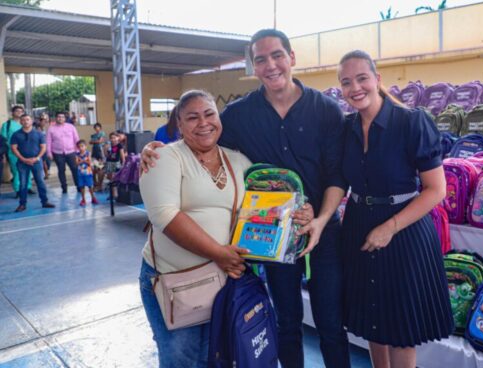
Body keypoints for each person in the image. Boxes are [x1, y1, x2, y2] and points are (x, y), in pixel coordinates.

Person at [142, 29, 350, 368]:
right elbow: (202, 135)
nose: (271, 65)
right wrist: (157, 149)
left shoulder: (326, 110)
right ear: (254, 66)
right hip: (271, 236)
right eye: (261, 59)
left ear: (291, 57)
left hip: (323, 232)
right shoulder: (238, 115)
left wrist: (320, 219)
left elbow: (337, 175)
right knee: (286, 322)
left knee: (331, 324)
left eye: (277, 55)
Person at [337, 50, 453, 368]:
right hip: (358, 224)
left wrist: (389, 228)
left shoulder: (411, 122)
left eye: (362, 78)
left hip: (404, 230)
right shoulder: (345, 128)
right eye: (346, 82)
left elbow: (436, 190)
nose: (355, 88)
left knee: (401, 328)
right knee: (374, 319)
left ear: (377, 79)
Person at [138, 89, 253, 367]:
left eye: (209, 114)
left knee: (215, 357)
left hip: (222, 282)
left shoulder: (238, 161)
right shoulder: (164, 158)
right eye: (192, 117)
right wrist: (219, 253)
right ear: (179, 124)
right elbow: (164, 215)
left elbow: (263, 205)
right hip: (174, 283)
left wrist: (296, 210)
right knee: (182, 360)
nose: (203, 123)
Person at [10, 114, 55, 212]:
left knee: (40, 182)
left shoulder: (38, 134)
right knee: (23, 184)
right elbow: (14, 148)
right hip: (22, 163)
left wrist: (37, 158)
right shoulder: (16, 134)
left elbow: (43, 147)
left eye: (27, 119)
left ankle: (45, 202)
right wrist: (23, 159)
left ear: (31, 121)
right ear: (20, 122)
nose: (25, 121)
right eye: (23, 120)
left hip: (36, 162)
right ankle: (22, 204)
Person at [1, 105, 33, 195]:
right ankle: (18, 189)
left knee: (28, 170)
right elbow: (3, 139)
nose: (19, 113)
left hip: (27, 151)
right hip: (13, 152)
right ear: (12, 113)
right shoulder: (7, 125)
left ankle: (28, 187)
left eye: (21, 111)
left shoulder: (26, 123)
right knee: (16, 171)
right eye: (17, 111)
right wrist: (4, 154)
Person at [46, 111, 80, 194]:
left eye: (62, 117)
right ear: (56, 118)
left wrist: (78, 151)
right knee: (61, 170)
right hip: (58, 153)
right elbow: (48, 141)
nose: (60, 118)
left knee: (75, 169)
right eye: (59, 117)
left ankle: (79, 186)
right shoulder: (51, 128)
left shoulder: (71, 127)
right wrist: (49, 153)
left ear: (65, 118)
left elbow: (76, 139)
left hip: (71, 152)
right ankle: (64, 187)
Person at [75, 140, 98, 206]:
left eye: (82, 146)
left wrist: (82, 161)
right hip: (80, 173)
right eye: (79, 147)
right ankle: (83, 199)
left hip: (88, 172)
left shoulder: (88, 153)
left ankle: (93, 198)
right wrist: (83, 161)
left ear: (85, 146)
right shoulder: (77, 154)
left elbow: (89, 162)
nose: (81, 148)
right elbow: (76, 163)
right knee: (82, 186)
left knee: (90, 186)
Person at [104, 132, 126, 199]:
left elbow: (122, 156)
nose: (113, 139)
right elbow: (106, 155)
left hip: (116, 163)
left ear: (118, 138)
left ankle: (115, 193)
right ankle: (112, 194)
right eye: (111, 138)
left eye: (114, 137)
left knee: (113, 177)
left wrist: (123, 164)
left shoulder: (119, 146)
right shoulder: (109, 145)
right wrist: (105, 149)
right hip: (109, 162)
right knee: (110, 178)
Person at [90, 123, 107, 191]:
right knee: (93, 169)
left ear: (100, 128)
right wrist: (95, 141)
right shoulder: (93, 135)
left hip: (100, 152)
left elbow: (100, 141)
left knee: (100, 168)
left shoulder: (102, 133)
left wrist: (94, 141)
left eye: (98, 127)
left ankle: (100, 184)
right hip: (94, 152)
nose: (96, 128)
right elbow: (90, 142)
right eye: (95, 127)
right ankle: (95, 183)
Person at [37, 114, 52, 179]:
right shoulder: (37, 129)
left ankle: (47, 170)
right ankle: (45, 173)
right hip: (40, 147)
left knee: (48, 160)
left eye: (45, 121)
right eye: (42, 121)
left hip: (48, 147)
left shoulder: (49, 128)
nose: (44, 122)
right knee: (43, 161)